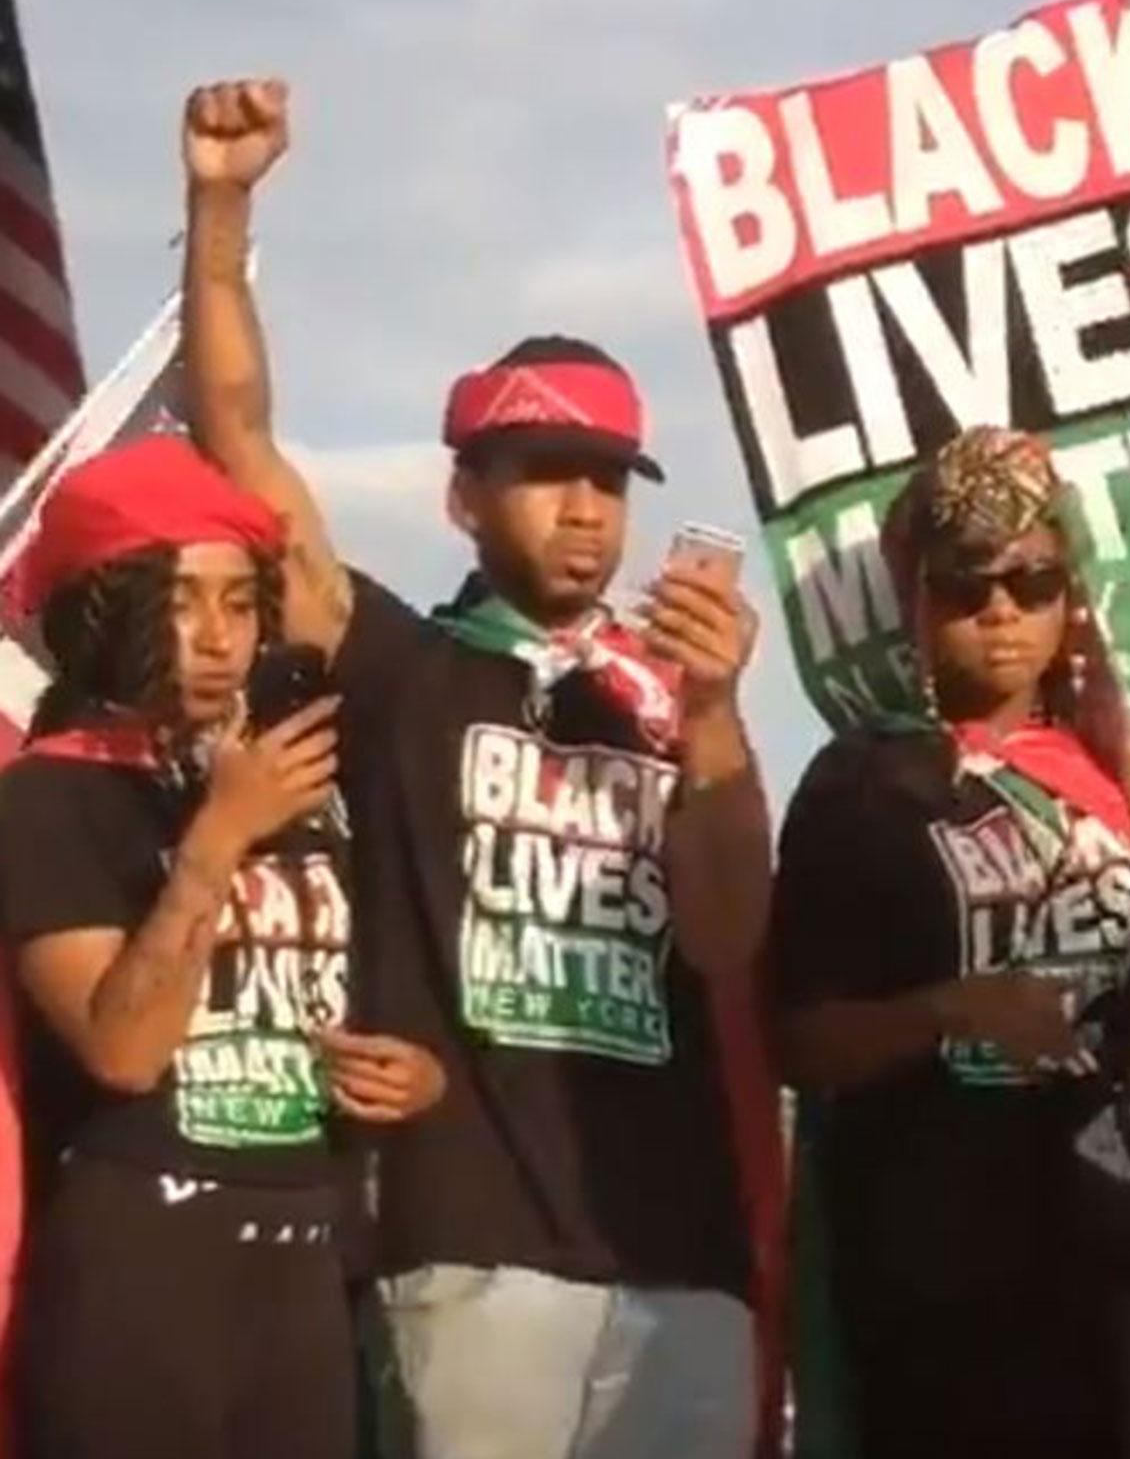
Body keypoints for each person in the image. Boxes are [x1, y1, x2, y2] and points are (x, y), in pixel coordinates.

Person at [179, 78, 773, 1458]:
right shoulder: (404, 665)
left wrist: (721, 715)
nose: (585, 507)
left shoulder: (666, 698)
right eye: (545, 469)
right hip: (469, 1239)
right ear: (463, 494)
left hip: (675, 1247)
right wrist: (221, 210)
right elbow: (241, 449)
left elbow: (731, 933)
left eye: (610, 477)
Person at [0, 437, 446, 1459]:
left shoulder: (294, 789)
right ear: (106, 609)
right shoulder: (50, 793)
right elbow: (123, 1050)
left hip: (304, 1264)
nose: (215, 637)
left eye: (240, 603)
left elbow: (359, 1006)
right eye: (181, 600)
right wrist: (216, 838)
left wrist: (412, 1076)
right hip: (140, 1265)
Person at [769, 427, 1130, 1459]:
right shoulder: (860, 781)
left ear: (1068, 595)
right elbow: (799, 1042)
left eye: (1031, 580)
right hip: (939, 1275)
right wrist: (950, 1010)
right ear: (914, 596)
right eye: (964, 585)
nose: (999, 608)